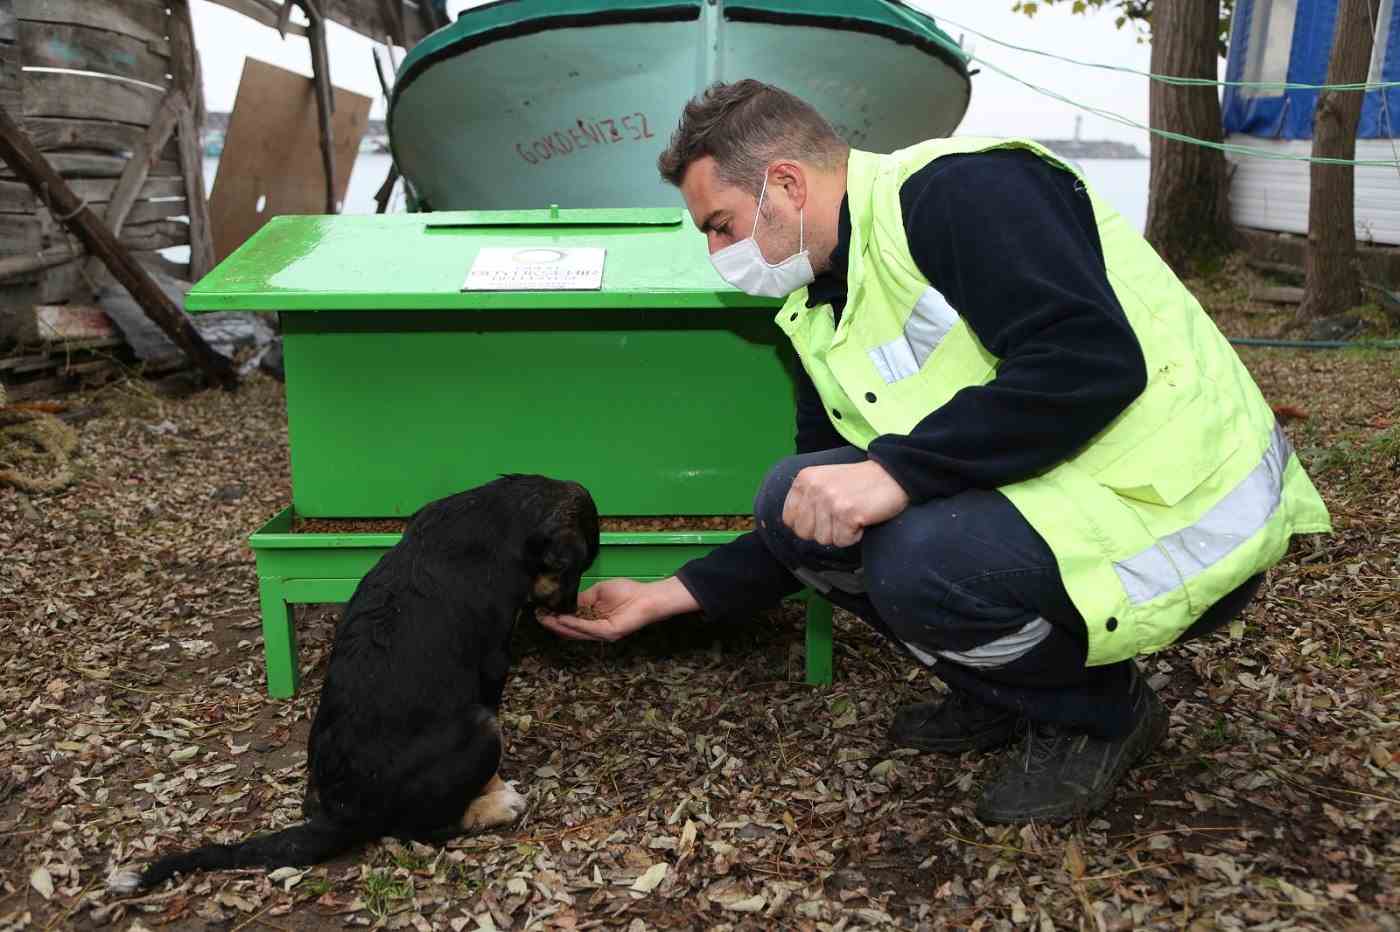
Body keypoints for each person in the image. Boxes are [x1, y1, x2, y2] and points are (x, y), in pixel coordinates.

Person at [537, 80, 1331, 824]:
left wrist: (898, 473)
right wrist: (675, 591)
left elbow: (1089, 360)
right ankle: (1010, 687)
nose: (718, 254)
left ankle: (1102, 714)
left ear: (785, 184)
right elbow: (816, 512)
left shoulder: (958, 190)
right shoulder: (821, 305)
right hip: (1065, 494)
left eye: (720, 225)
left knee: (919, 560)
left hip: (1178, 512)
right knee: (797, 495)